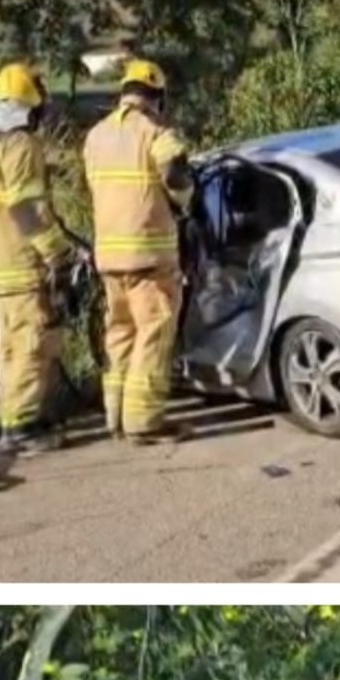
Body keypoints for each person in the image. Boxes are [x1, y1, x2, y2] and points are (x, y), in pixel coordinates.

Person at [0, 62, 80, 454]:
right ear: (28, 104)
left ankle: (15, 419)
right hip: (24, 264)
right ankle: (23, 429)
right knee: (32, 343)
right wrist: (59, 254)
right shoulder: (19, 146)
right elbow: (26, 210)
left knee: (12, 347)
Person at [83, 58, 194, 444]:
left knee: (120, 334)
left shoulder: (95, 136)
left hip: (108, 257)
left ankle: (114, 418)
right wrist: (185, 202)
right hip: (150, 255)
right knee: (153, 334)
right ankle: (144, 423)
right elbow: (177, 177)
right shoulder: (157, 132)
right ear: (157, 97)